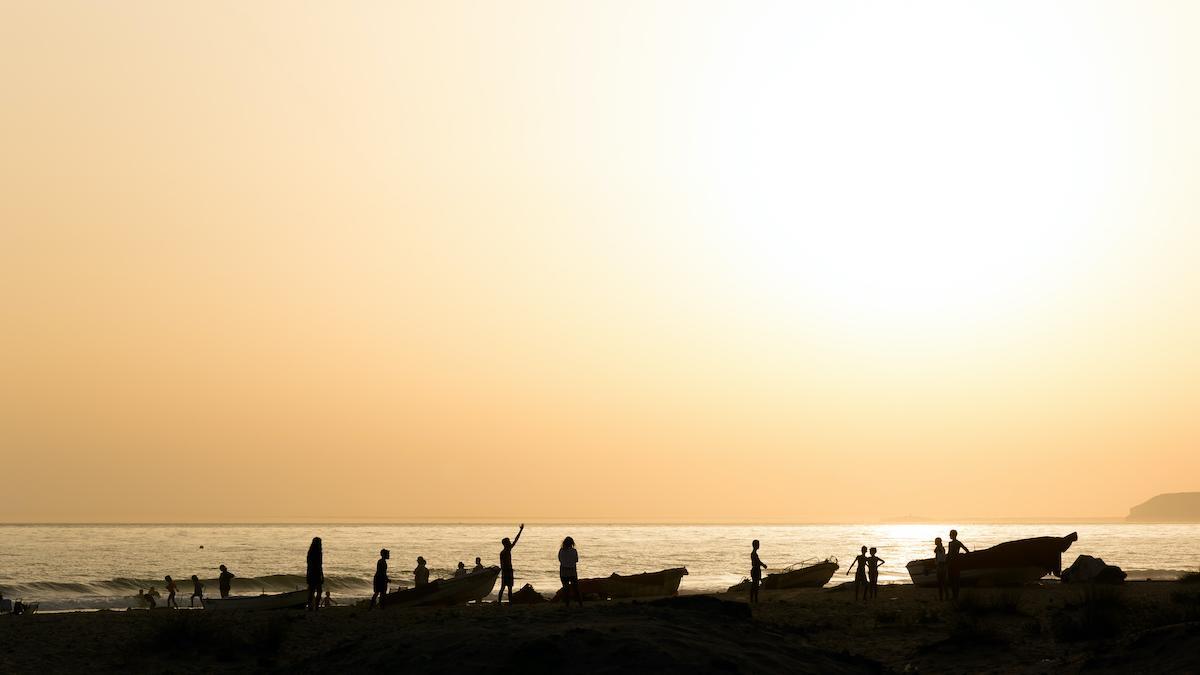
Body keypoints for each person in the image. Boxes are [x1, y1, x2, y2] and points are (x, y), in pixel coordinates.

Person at [497, 523, 524, 603]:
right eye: (508, 541)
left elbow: (516, 540)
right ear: (505, 543)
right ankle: (506, 602)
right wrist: (521, 530)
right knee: (507, 587)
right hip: (507, 571)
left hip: (506, 571)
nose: (510, 542)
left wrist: (520, 530)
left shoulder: (504, 551)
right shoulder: (506, 551)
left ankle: (502, 602)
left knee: (506, 587)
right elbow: (516, 540)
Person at [558, 536, 582, 607]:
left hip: (563, 571)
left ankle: (567, 604)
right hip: (572, 571)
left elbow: (560, 560)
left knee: (565, 589)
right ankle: (580, 604)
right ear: (572, 543)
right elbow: (576, 560)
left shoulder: (561, 550)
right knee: (576, 589)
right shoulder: (574, 551)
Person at [947, 529, 970, 600]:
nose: (949, 535)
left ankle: (955, 596)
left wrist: (961, 556)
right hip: (952, 563)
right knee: (953, 580)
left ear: (953, 535)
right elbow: (949, 554)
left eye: (950, 534)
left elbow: (966, 551)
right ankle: (954, 595)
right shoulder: (952, 543)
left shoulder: (956, 543)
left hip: (954, 563)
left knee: (955, 580)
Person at [306, 536, 324, 611]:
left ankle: (310, 606)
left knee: (311, 591)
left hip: (310, 573)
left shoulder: (310, 552)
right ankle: (316, 606)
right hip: (316, 573)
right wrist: (322, 575)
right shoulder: (319, 553)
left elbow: (309, 565)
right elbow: (320, 565)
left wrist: (307, 574)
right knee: (319, 591)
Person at [749, 539, 768, 604]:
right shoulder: (754, 554)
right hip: (755, 570)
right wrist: (763, 565)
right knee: (755, 585)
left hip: (756, 570)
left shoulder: (754, 553)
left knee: (755, 585)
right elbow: (758, 562)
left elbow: (758, 561)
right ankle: (753, 599)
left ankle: (754, 599)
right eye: (758, 544)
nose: (759, 545)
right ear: (755, 545)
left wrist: (762, 565)